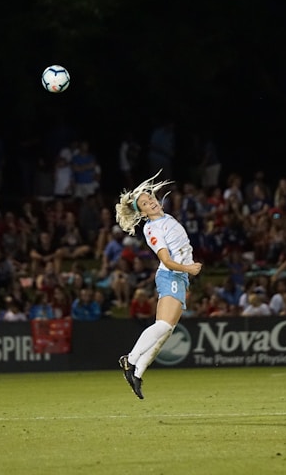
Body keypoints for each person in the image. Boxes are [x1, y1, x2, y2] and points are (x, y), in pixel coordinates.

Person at [116, 171, 202, 400]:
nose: (151, 202)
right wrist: (189, 269)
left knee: (166, 331)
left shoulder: (166, 218)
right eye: (145, 203)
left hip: (179, 278)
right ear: (142, 212)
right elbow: (165, 260)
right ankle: (130, 360)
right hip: (171, 275)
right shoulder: (152, 229)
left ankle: (137, 373)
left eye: (150, 198)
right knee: (163, 326)